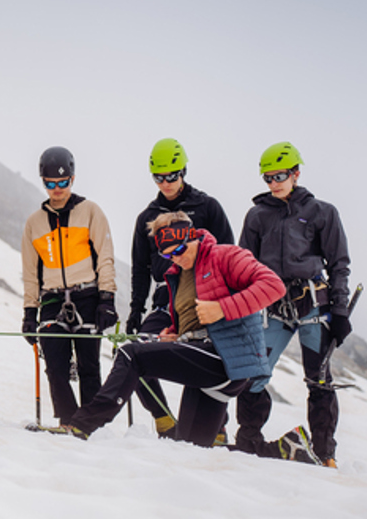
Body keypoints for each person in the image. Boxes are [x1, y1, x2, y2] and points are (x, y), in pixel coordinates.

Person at [65, 212, 287, 449]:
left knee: (132, 354)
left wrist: (222, 308)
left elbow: (274, 286)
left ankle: (82, 426)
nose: (175, 258)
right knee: (189, 449)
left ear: (192, 237)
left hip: (226, 359)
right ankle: (287, 450)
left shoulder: (226, 255)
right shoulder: (177, 275)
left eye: (179, 251)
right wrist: (174, 332)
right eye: (167, 254)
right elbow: (193, 320)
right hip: (207, 364)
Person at [233, 142, 353, 467]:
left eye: (280, 175)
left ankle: (325, 453)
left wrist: (340, 311)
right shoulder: (257, 216)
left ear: (296, 173)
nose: (274, 183)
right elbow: (244, 266)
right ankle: (248, 442)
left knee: (319, 378)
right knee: (254, 374)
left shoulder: (322, 212)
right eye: (268, 178)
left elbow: (339, 264)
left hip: (314, 307)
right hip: (274, 309)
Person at [127, 138, 235, 438]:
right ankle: (163, 418)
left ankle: (217, 427)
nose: (166, 183)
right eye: (159, 178)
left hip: (206, 299)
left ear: (183, 171)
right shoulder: (146, 218)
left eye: (171, 176)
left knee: (209, 356)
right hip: (166, 300)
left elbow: (229, 253)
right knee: (132, 350)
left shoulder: (208, 207)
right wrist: (136, 310)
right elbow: (140, 269)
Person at [20, 147, 118, 426]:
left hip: (87, 294)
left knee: (89, 365)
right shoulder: (34, 223)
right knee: (55, 364)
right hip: (51, 300)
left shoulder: (90, 211)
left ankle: (91, 424)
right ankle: (68, 420)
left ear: (72, 179)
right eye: (50, 183)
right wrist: (29, 313)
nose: (57, 189)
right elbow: (30, 273)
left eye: (62, 182)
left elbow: (105, 257)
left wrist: (107, 299)